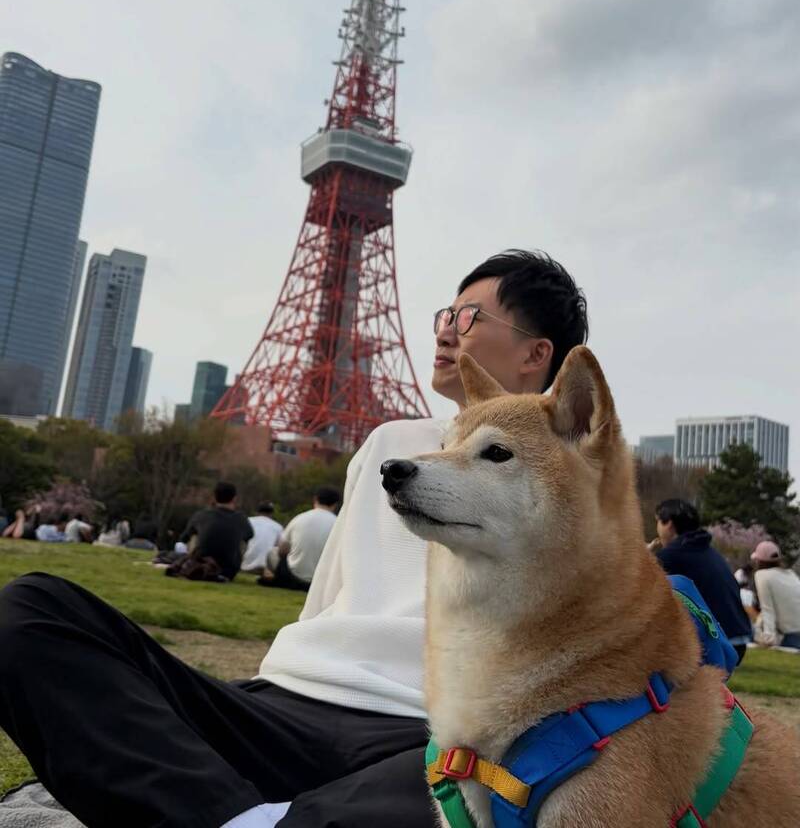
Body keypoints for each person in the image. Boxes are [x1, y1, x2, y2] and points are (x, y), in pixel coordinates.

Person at [0, 249, 588, 828]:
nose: (444, 331)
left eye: (468, 318)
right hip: (277, 707)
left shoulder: (572, 477)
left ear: (537, 353)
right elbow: (327, 599)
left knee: (521, 779)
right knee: (28, 610)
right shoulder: (390, 441)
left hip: (426, 737)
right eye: (445, 314)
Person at [652, 499, 752, 662]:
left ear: (668, 524)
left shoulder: (672, 555)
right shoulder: (705, 550)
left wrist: (642, 557)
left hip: (718, 641)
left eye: (657, 522)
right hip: (738, 636)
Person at [258, 489, 339, 591]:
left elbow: (282, 549)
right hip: (322, 579)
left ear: (315, 500)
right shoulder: (338, 524)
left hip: (293, 575)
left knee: (272, 553)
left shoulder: (299, 518)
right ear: (335, 504)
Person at [178, 482, 254, 581]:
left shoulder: (201, 515)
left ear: (214, 497)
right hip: (229, 571)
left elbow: (183, 539)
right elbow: (249, 536)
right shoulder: (241, 519)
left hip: (200, 564)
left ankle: (195, 563)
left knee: (194, 534)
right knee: (243, 539)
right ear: (234, 498)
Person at [751, 540, 800, 649]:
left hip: (792, 637)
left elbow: (767, 609)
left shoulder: (762, 575)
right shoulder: (790, 574)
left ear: (759, 561)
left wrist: (768, 638)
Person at [241, 503, 284, 574]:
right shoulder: (278, 527)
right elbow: (281, 547)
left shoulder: (248, 521)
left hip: (245, 565)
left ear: (258, 512)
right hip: (267, 567)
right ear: (272, 513)